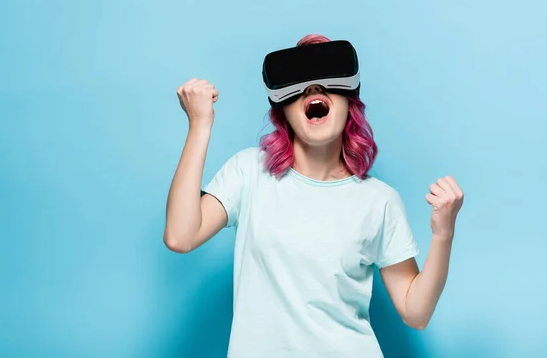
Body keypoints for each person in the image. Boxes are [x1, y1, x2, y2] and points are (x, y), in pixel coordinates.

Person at [164, 34, 464, 357]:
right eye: (300, 82)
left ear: (350, 101)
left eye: (327, 79)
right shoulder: (250, 173)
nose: (313, 89)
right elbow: (181, 236)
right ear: (284, 109)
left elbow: (415, 312)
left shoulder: (379, 201)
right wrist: (199, 125)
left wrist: (443, 233)